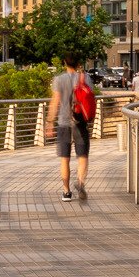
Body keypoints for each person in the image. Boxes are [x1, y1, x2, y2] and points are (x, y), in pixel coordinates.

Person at [44, 53, 94, 201]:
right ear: (79, 63)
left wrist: (49, 122)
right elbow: (91, 99)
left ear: (64, 62)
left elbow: (55, 102)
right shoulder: (85, 78)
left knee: (65, 158)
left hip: (64, 122)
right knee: (82, 156)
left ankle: (66, 192)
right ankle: (80, 182)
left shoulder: (59, 79)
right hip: (81, 122)